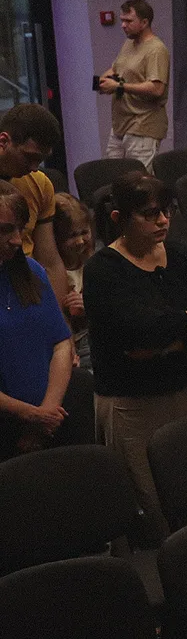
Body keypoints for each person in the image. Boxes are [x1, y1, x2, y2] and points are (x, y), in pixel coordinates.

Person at [85, 172, 187, 535]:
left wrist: (172, 341)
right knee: (159, 509)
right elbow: (139, 332)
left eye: (166, 211)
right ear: (119, 218)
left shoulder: (179, 254)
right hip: (135, 402)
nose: (163, 220)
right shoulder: (103, 269)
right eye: (150, 214)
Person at [0, 183, 80, 459]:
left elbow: (60, 343)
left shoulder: (31, 271)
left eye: (20, 229)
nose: (16, 240)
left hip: (50, 421)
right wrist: (30, 415)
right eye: (5, 230)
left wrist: (46, 413)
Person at [0, 103, 69, 326]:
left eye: (40, 160)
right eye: (29, 157)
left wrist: (58, 325)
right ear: (4, 141)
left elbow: (50, 261)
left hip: (27, 289)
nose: (34, 167)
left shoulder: (39, 184)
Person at [95, 0, 169, 168]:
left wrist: (119, 86)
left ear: (144, 22)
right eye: (122, 20)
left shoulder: (156, 50)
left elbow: (157, 88)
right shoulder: (129, 43)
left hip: (143, 126)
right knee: (112, 176)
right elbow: (117, 68)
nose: (123, 25)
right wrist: (103, 82)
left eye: (129, 21)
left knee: (137, 178)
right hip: (120, 126)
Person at [48, 193, 92, 369]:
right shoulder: (53, 273)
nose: (80, 241)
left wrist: (89, 305)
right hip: (74, 344)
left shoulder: (94, 262)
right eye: (72, 235)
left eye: (84, 232)